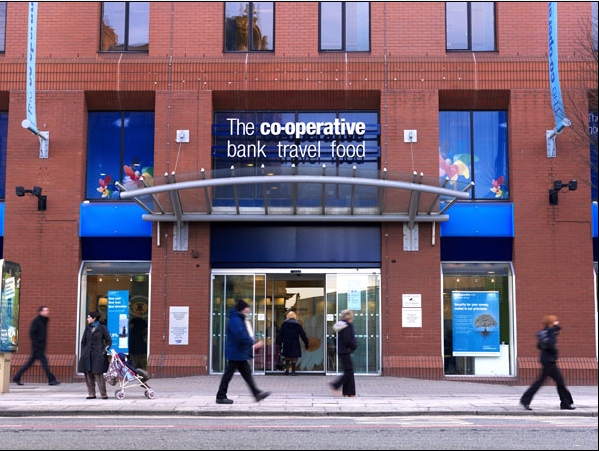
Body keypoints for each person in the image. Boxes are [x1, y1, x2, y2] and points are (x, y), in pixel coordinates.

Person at [215, 299, 271, 404]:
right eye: (246, 309)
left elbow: (242, 335)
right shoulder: (236, 320)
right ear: (242, 309)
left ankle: (256, 394)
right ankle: (221, 396)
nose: (248, 310)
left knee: (246, 374)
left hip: (239, 352)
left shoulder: (238, 319)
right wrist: (252, 343)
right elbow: (240, 336)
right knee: (229, 374)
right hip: (236, 352)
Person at [520, 315, 575, 411]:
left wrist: (555, 330)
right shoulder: (550, 332)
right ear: (551, 322)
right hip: (549, 361)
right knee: (546, 382)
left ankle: (565, 403)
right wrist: (555, 353)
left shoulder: (545, 331)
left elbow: (539, 345)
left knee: (558, 382)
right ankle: (525, 400)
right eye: (555, 321)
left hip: (546, 360)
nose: (557, 322)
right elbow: (551, 345)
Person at [12, 306, 60, 386]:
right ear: (41, 312)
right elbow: (32, 333)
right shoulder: (36, 321)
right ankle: (51, 380)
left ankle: (17, 377)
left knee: (29, 363)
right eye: (45, 310)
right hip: (37, 347)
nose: (47, 312)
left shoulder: (44, 321)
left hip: (40, 347)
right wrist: (37, 344)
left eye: (47, 310)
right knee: (45, 364)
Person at [78, 311, 112, 399]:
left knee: (98, 373)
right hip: (87, 354)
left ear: (94, 318)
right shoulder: (88, 328)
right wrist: (83, 352)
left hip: (97, 353)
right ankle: (91, 393)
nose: (87, 319)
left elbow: (109, 341)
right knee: (88, 373)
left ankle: (103, 394)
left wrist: (103, 350)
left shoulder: (102, 328)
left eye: (89, 317)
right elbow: (83, 342)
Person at [329, 309, 357, 397]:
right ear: (350, 317)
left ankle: (348, 392)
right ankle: (336, 385)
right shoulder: (347, 326)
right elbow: (348, 340)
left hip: (342, 350)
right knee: (349, 371)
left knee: (348, 371)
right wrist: (353, 346)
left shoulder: (341, 325)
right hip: (346, 350)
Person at [276, 311, 309, 375]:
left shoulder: (284, 324)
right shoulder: (298, 324)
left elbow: (281, 335)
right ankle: (293, 371)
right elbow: (303, 334)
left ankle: (287, 370)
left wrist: (279, 344)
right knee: (294, 357)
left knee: (287, 356)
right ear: (295, 316)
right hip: (295, 343)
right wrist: (306, 342)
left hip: (286, 343)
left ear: (287, 316)